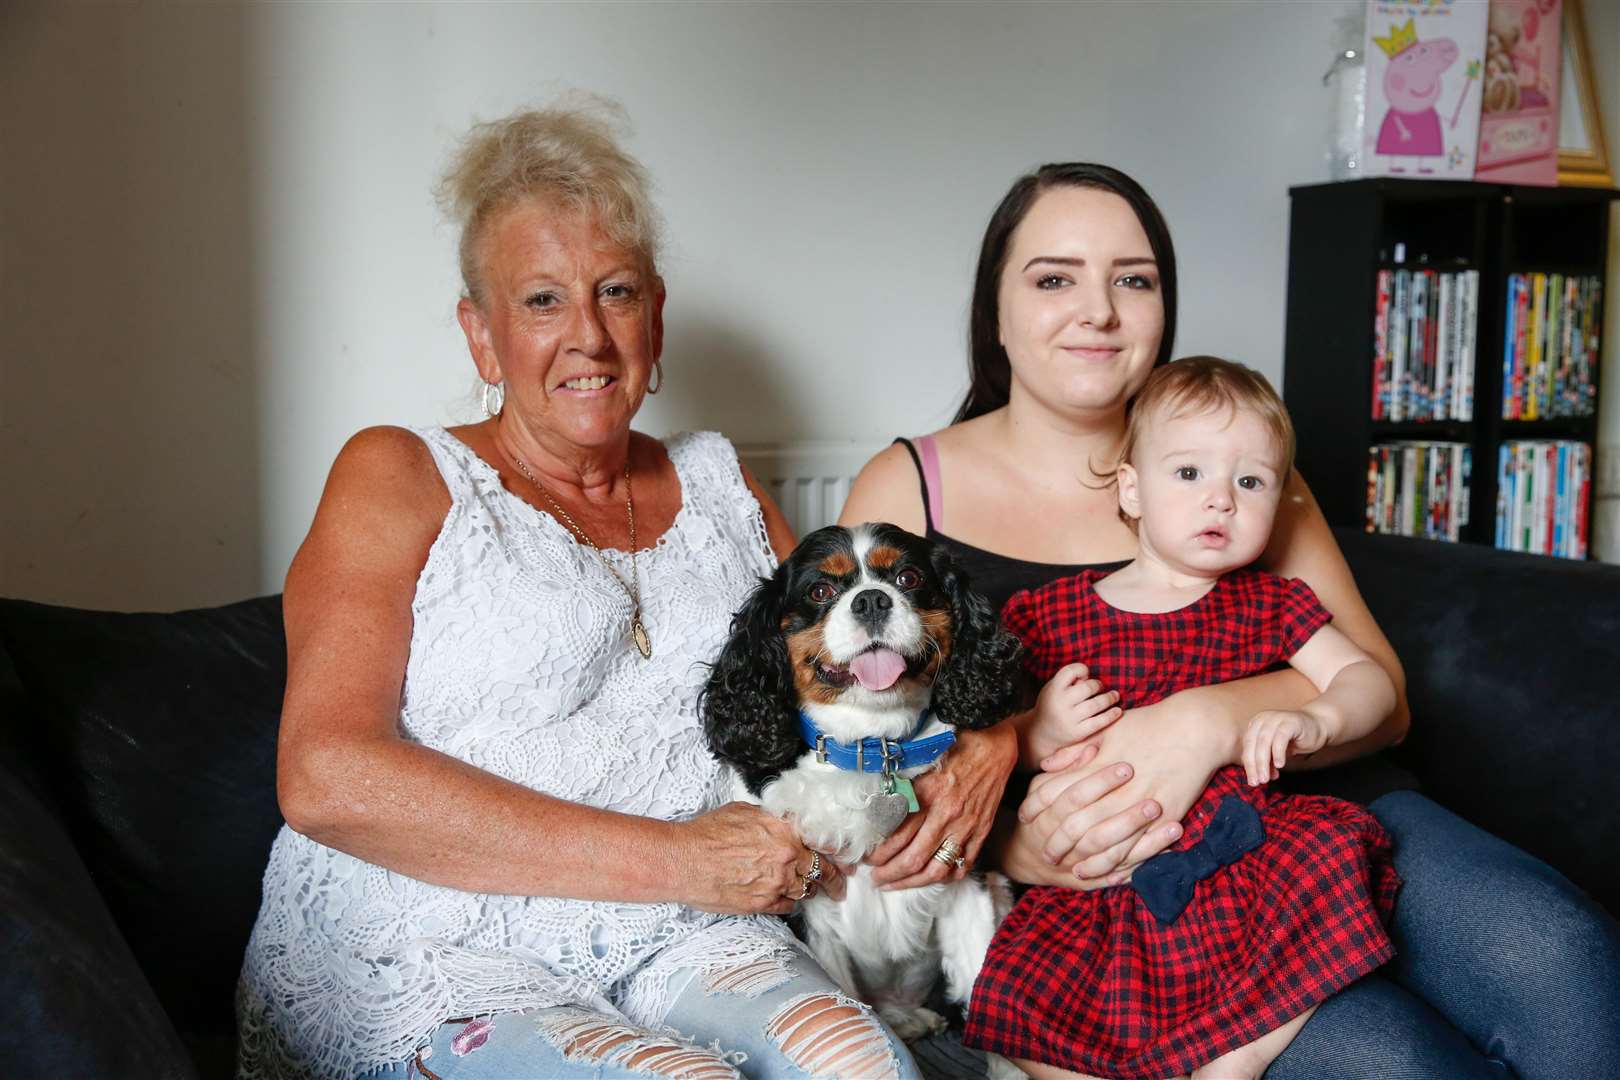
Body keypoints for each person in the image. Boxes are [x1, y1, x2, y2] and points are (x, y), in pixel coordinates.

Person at [839, 162, 1620, 1079]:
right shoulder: (908, 490)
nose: (1098, 310)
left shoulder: (1235, 468)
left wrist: (1204, 724)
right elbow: (853, 749)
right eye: (1054, 278)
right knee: (1392, 1060)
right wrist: (1012, 839)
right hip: (1120, 893)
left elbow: (1382, 693)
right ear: (996, 310)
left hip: (1325, 818)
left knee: (1563, 954)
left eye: (1134, 279)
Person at [235, 101, 921, 1080]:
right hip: (439, 932)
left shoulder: (721, 484)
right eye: (542, 302)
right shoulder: (398, 474)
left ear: (657, 317)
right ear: (482, 337)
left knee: (861, 1065)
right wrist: (677, 860)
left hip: (682, 930)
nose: (589, 337)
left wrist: (979, 754)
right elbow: (325, 776)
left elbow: (863, 690)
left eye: (616, 292)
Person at [967, 356, 1401, 1080]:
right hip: (1103, 883)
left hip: (1239, 860)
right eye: (1190, 474)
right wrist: (1037, 730)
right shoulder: (1048, 616)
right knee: (1025, 995)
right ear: (1131, 490)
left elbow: (1370, 682)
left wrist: (1320, 719)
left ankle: (1236, 1060)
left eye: (1251, 481)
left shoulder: (1269, 604)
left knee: (1332, 852)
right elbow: (983, 748)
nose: (1221, 501)